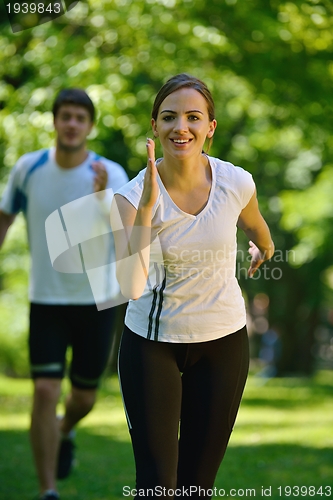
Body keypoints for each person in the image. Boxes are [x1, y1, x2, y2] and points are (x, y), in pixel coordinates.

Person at [111, 74, 274, 499]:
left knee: (196, 488)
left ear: (210, 127)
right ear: (154, 126)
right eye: (169, 117)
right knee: (157, 486)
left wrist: (265, 248)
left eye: (192, 117)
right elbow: (130, 284)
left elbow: (258, 228)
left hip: (223, 342)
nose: (180, 126)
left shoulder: (236, 182)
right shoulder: (129, 199)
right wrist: (148, 208)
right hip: (152, 344)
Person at [0, 88, 128, 500]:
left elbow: (130, 238)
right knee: (44, 390)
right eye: (65, 116)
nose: (72, 124)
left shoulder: (111, 172)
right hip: (47, 301)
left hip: (97, 300)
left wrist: (102, 197)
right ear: (55, 121)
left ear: (89, 126)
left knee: (84, 397)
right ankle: (47, 490)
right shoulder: (28, 168)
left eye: (80, 118)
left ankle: (65, 429)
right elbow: (5, 218)